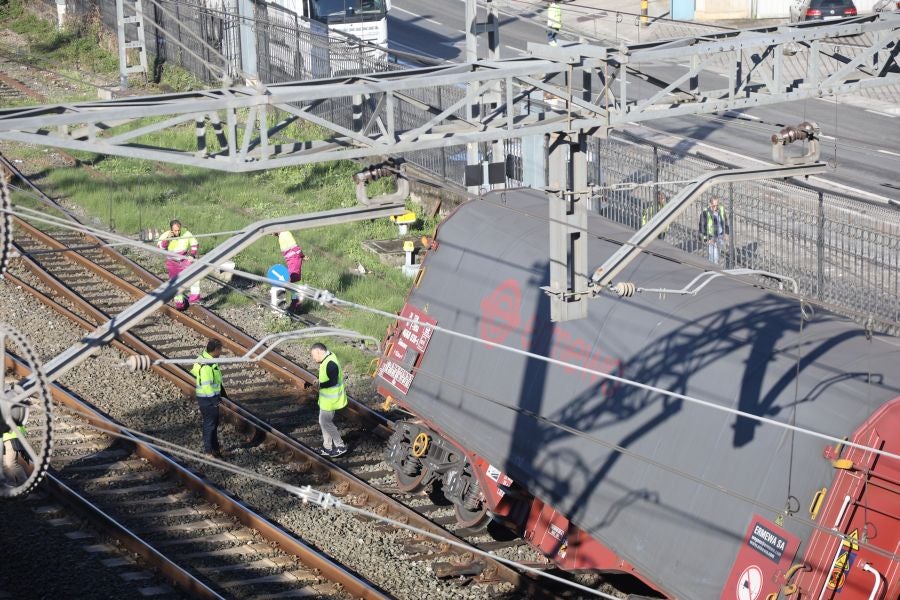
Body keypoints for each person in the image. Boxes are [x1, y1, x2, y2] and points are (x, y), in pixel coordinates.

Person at [310, 343, 348, 457]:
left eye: (313, 355)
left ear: (319, 352)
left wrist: (320, 385)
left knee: (325, 422)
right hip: (326, 400)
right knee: (323, 422)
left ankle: (340, 446)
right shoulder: (327, 359)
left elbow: (333, 382)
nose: (313, 358)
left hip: (331, 401)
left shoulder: (330, 363)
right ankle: (327, 447)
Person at [191, 338, 227, 459]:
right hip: (208, 399)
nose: (221, 352)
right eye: (220, 350)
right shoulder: (207, 365)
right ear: (215, 350)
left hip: (207, 398)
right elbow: (207, 386)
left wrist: (222, 394)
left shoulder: (204, 357)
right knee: (209, 425)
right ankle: (208, 451)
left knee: (213, 424)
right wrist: (214, 401)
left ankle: (215, 449)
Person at [158, 219, 201, 310]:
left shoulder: (186, 233)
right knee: (175, 284)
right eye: (175, 230)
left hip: (184, 260)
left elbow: (195, 244)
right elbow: (160, 248)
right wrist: (167, 240)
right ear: (171, 229)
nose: (177, 232)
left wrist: (192, 255)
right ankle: (179, 304)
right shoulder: (165, 235)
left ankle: (194, 299)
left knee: (195, 276)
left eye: (179, 230)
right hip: (172, 262)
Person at [274, 231, 305, 314]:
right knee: (294, 282)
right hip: (292, 260)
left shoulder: (285, 233)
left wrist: (302, 256)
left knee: (293, 281)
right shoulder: (282, 235)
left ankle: (296, 305)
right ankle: (296, 305)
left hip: (294, 259)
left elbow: (295, 247)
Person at [699, 196, 729, 264]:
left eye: (717, 205)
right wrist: (707, 239)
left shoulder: (721, 209)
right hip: (711, 237)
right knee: (714, 257)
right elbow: (702, 227)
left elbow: (725, 221)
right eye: (714, 205)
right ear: (710, 204)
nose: (715, 207)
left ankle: (711, 267)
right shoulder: (705, 212)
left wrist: (726, 233)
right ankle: (713, 268)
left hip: (720, 235)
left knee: (717, 254)